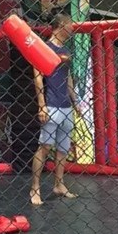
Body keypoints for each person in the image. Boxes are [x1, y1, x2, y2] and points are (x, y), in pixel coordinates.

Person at [30, 13, 79, 206]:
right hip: (51, 104)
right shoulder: (44, 48)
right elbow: (38, 77)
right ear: (61, 25)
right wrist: (42, 105)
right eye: (70, 24)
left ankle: (59, 184)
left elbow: (67, 77)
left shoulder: (65, 49)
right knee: (45, 147)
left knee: (63, 148)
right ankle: (35, 188)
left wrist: (75, 101)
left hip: (66, 106)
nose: (72, 28)